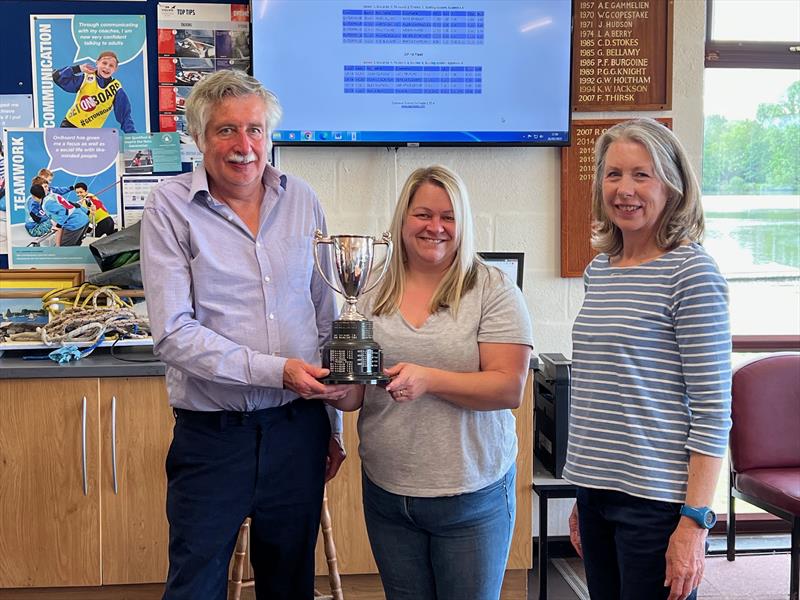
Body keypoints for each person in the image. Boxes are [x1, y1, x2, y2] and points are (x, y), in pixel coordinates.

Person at [140, 69, 348, 600]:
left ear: (270, 135)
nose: (243, 146)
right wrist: (275, 371)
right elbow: (172, 333)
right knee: (195, 585)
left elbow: (324, 315)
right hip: (214, 436)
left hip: (297, 430)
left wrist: (331, 423)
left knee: (289, 584)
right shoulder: (168, 207)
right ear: (199, 137)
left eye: (254, 130)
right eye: (226, 131)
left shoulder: (303, 199)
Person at [329, 165, 534, 599]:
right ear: (403, 219)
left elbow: (507, 388)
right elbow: (355, 397)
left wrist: (430, 379)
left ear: (464, 224)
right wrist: (332, 386)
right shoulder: (368, 289)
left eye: (448, 217)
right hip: (388, 491)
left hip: (470, 496)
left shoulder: (492, 289)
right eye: (423, 214)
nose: (435, 227)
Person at [563, 118, 732, 600]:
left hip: (657, 504)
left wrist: (694, 523)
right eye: (613, 174)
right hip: (597, 496)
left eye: (643, 174)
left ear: (673, 185)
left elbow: (713, 413)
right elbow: (604, 391)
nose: (625, 189)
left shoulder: (692, 272)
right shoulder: (601, 269)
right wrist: (584, 497)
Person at [52, 51, 136, 133]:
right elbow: (58, 77)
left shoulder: (116, 88)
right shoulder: (86, 78)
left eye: (111, 65)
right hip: (70, 126)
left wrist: (132, 137)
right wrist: (79, 68)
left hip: (92, 134)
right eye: (104, 63)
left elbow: (124, 116)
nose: (107, 67)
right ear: (97, 62)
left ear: (115, 69)